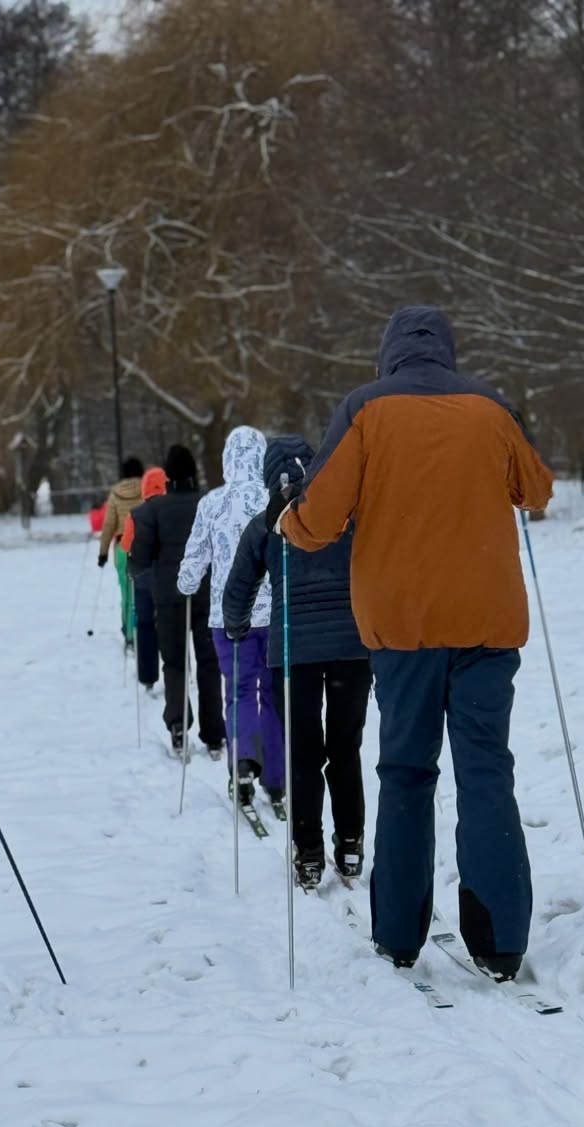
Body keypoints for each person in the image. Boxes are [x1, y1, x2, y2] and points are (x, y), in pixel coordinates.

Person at [274, 305, 554, 978]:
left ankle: (398, 934)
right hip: (488, 620)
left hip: (401, 626)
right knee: (487, 770)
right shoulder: (489, 407)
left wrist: (287, 520)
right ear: (449, 351)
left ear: (388, 353)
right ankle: (500, 939)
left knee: (406, 769)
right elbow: (537, 489)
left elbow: (319, 519)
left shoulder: (366, 409)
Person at [224, 436, 371, 889]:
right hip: (352, 648)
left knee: (305, 755)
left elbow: (239, 585)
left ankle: (308, 852)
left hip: (292, 654)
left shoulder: (265, 525)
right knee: (345, 750)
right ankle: (350, 843)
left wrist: (237, 625)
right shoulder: (347, 517)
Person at [178, 425, 285, 808]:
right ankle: (275, 776)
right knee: (272, 696)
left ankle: (241, 761)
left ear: (227, 459)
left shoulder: (212, 504)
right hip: (273, 616)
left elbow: (194, 561)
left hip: (229, 618)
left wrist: (187, 584)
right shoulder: (273, 499)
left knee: (238, 692)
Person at [129, 444, 226, 756]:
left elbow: (140, 559)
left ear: (167, 475)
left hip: (170, 597)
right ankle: (213, 732)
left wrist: (138, 568)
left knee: (174, 662)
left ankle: (177, 724)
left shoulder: (152, 510)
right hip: (207, 595)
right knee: (209, 663)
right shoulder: (210, 504)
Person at [120, 466, 167, 689]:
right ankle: (177, 670)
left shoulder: (136, 514)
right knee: (169, 624)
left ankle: (148, 677)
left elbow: (126, 545)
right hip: (167, 578)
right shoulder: (172, 510)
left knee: (145, 625)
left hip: (144, 578)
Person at [97, 455, 145, 645]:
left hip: (122, 548)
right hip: (144, 547)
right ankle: (145, 625)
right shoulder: (147, 489)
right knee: (145, 590)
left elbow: (108, 525)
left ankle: (128, 632)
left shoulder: (115, 493)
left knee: (126, 591)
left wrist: (102, 553)